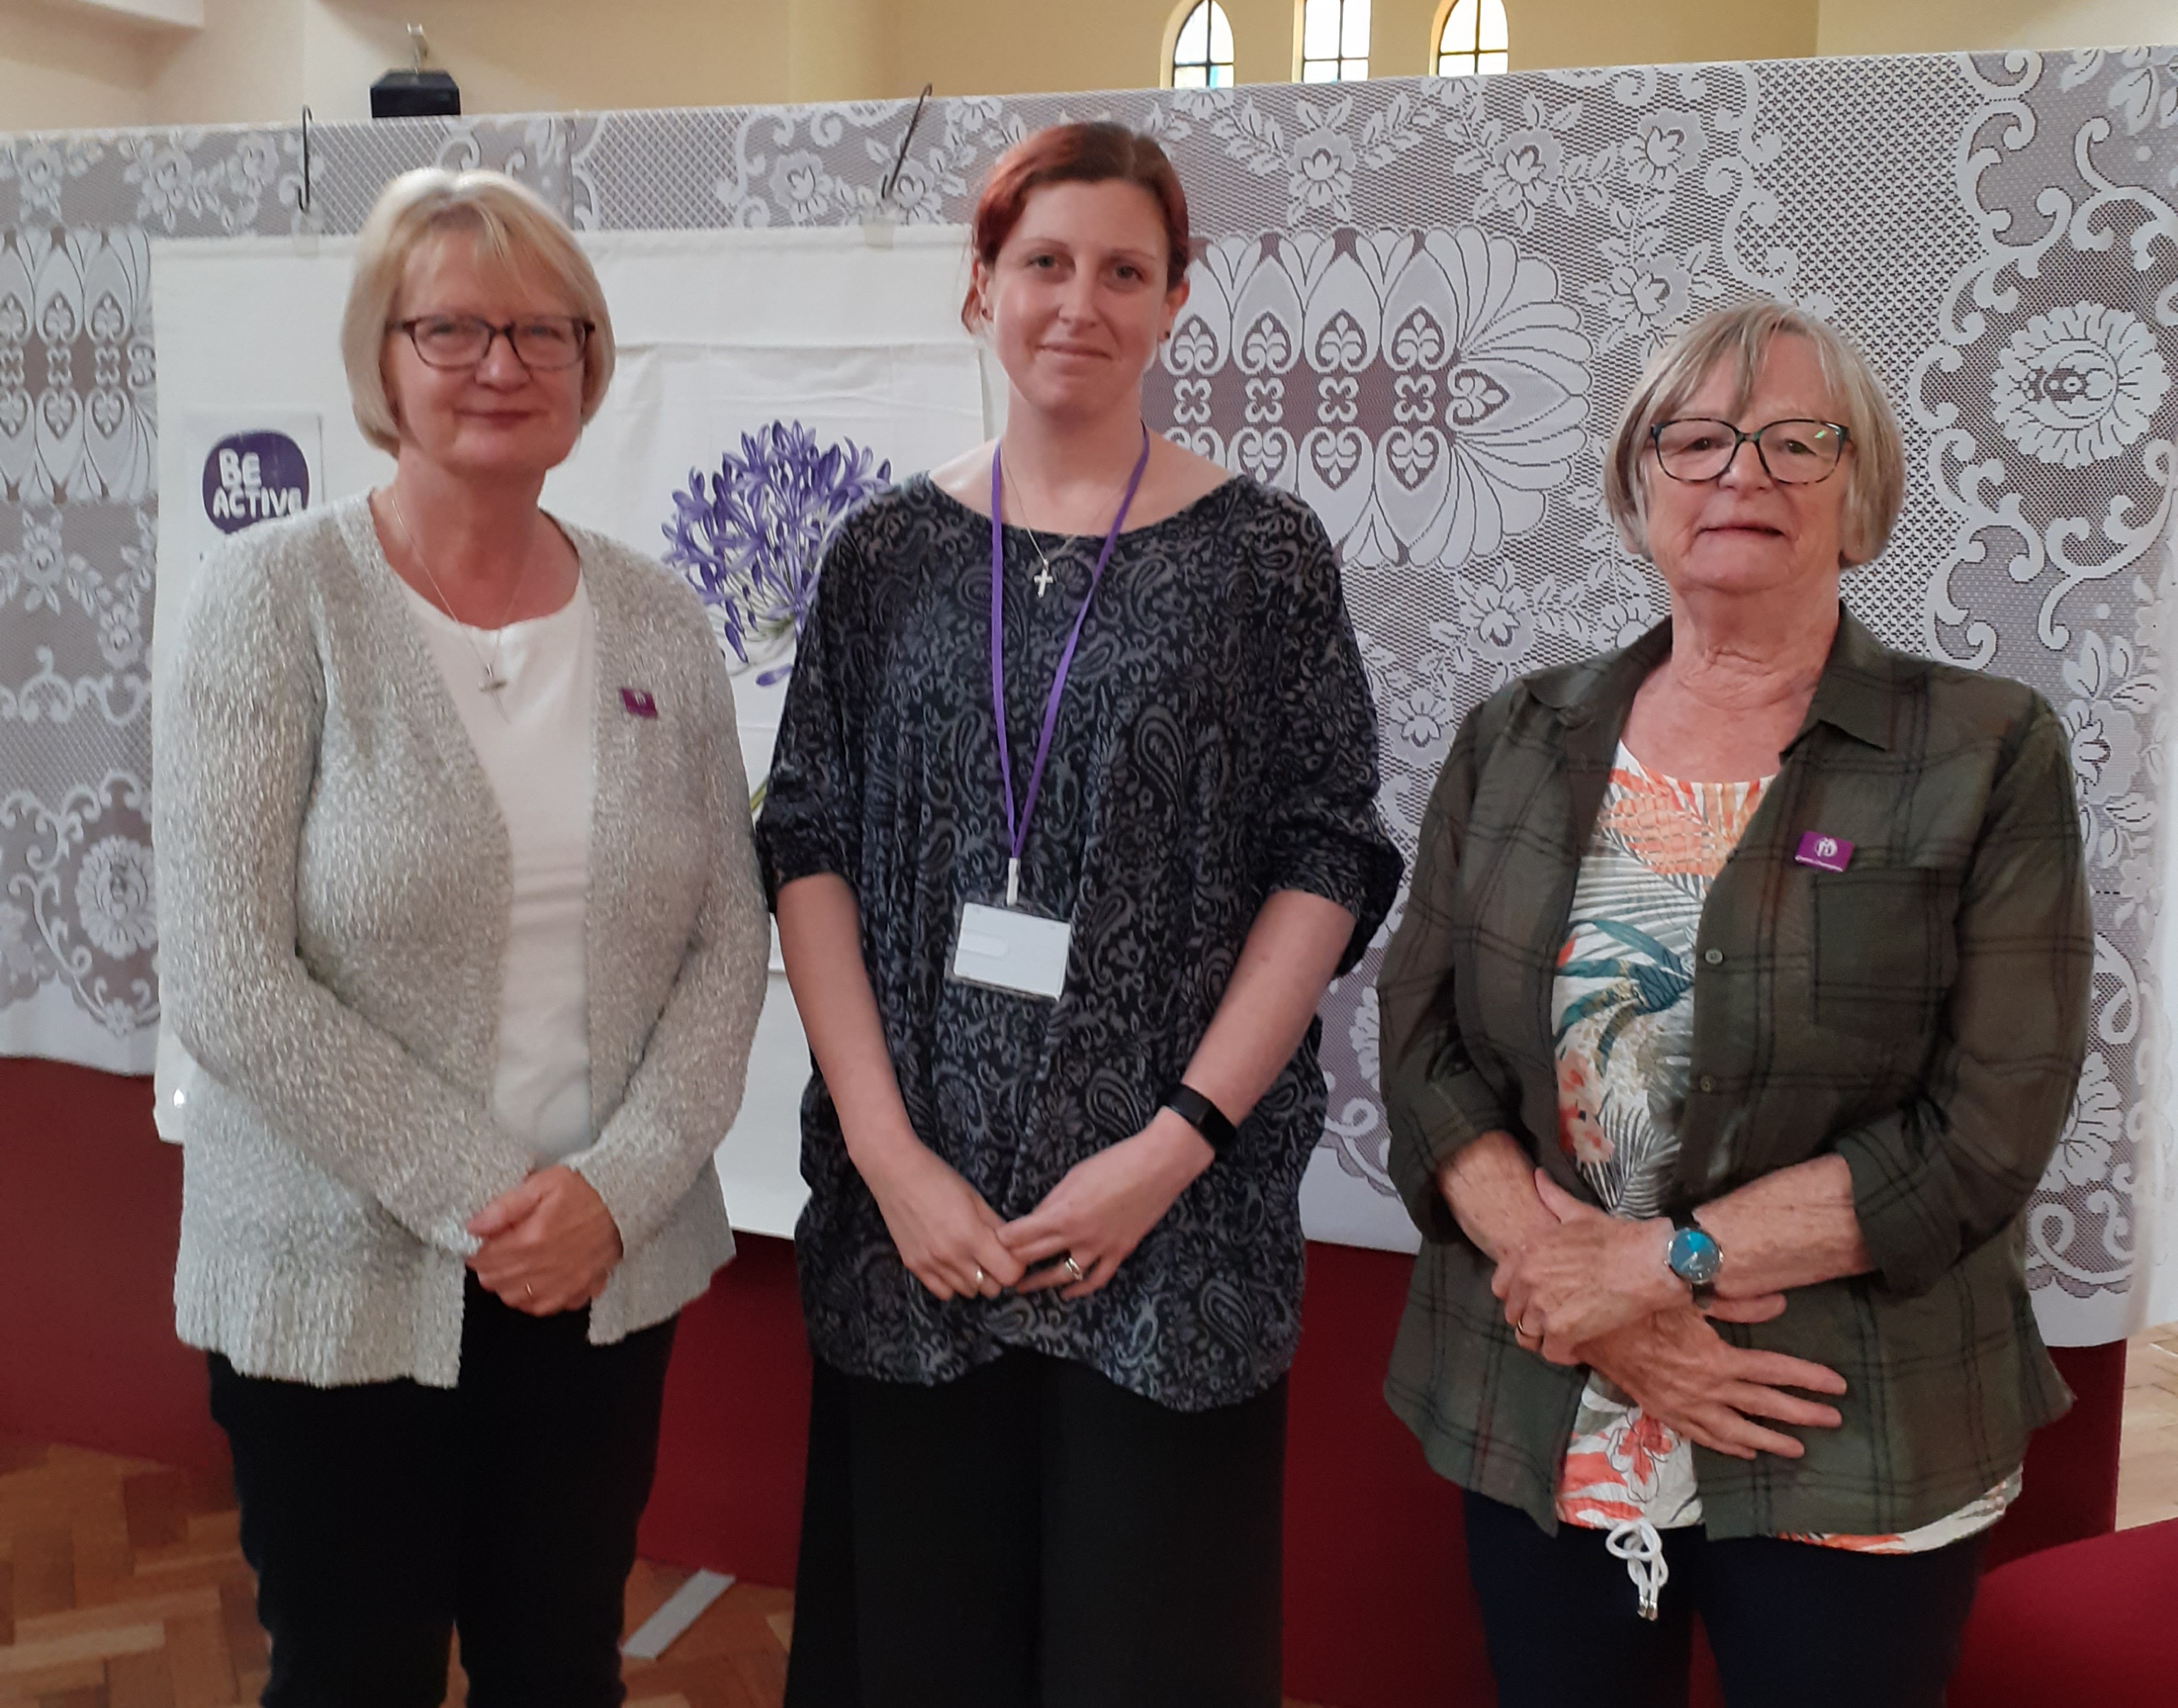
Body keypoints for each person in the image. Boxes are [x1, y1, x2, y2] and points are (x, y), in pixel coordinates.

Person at [757, 121, 1402, 1708]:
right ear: (979, 286)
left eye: (1126, 269)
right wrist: (893, 1158)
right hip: (923, 1221)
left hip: (1166, 1225)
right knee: (921, 1648)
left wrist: (1174, 1144)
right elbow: (808, 844)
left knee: (1146, 1653)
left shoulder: (1262, 557)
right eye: (1044, 261)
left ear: (1180, 300)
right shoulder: (883, 555)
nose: (1079, 301)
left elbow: (1327, 857)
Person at [1378, 301, 2091, 1708]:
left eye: (1796, 439)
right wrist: (1592, 1303)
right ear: (1640, 485)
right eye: (1696, 436)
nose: (1740, 471)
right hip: (1547, 1386)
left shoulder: (1985, 746)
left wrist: (1656, 1267)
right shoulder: (1518, 734)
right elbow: (1422, 1037)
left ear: (1862, 486)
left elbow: (1989, 1123)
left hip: (1841, 1412)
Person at [153, 167, 769, 1708]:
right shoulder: (271, 598)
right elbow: (231, 978)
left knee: (560, 1662)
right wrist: (505, 1204)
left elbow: (727, 934)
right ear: (383, 358)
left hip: (601, 1279)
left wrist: (611, 1194)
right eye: (452, 328)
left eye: (540, 331)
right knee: (350, 1669)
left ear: (587, 364)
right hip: (337, 1274)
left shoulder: (656, 620)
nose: (501, 364)